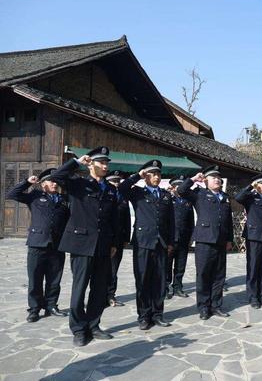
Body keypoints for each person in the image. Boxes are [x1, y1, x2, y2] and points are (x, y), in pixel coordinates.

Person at [50, 146, 119, 346]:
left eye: (107, 163)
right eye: (101, 162)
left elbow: (113, 218)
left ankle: (94, 324)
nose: (105, 166)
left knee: (99, 289)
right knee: (79, 289)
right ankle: (79, 329)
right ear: (91, 164)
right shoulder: (78, 184)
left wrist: (114, 242)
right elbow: (56, 176)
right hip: (82, 244)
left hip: (103, 245)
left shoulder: (111, 189)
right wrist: (76, 162)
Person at [6, 168, 69, 322]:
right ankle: (34, 309)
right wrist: (27, 182)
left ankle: (51, 305)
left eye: (56, 181)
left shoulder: (64, 199)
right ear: (43, 184)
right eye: (51, 181)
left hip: (57, 245)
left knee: (55, 279)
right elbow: (11, 194)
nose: (55, 184)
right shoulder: (35, 196)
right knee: (35, 278)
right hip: (37, 244)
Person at [119, 160, 175, 330]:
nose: (156, 177)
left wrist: (171, 242)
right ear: (146, 176)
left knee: (159, 281)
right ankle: (144, 315)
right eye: (152, 174)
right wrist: (137, 175)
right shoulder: (137, 193)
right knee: (142, 280)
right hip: (143, 242)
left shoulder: (166, 195)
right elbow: (121, 189)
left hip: (161, 243)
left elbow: (171, 221)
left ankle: (158, 314)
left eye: (158, 174)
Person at [177, 165, 233, 320]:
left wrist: (230, 239)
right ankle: (203, 307)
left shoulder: (225, 197)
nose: (217, 179)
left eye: (218, 177)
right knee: (203, 275)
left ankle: (216, 305)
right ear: (206, 180)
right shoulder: (199, 194)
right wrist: (194, 179)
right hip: (204, 240)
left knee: (219, 276)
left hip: (221, 241)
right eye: (213, 177)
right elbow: (181, 190)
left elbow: (229, 222)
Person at [234, 173, 262, 309]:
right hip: (254, 236)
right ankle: (253, 296)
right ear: (257, 185)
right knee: (253, 267)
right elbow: (238, 198)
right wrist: (250, 187)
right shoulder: (251, 197)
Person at [166, 175, 195, 299]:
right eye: (177, 185)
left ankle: (178, 287)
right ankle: (165, 287)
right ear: (172, 187)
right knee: (166, 265)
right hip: (170, 239)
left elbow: (191, 222)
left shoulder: (187, 202)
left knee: (180, 265)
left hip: (183, 239)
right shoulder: (167, 200)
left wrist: (191, 238)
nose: (179, 188)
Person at [105, 171, 131, 307]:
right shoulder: (105, 196)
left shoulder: (122, 197)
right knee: (103, 269)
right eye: (113, 181)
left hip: (119, 239)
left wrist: (127, 237)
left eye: (118, 181)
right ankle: (101, 295)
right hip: (105, 239)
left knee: (114, 269)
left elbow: (126, 219)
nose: (116, 183)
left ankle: (111, 295)